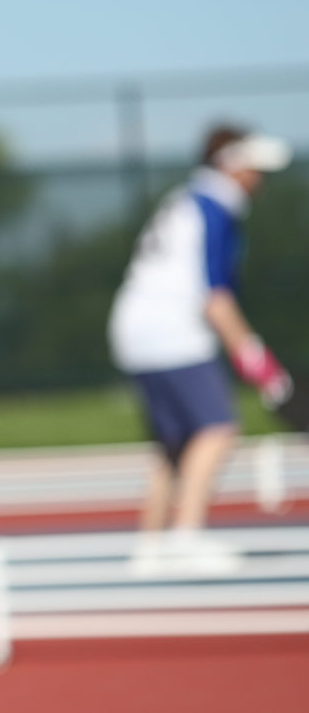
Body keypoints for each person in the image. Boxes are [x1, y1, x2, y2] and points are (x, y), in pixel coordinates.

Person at [108, 125, 292, 566]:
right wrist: (257, 361)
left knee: (174, 442)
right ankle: (186, 536)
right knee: (218, 429)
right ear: (230, 164)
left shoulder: (186, 200)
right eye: (253, 169)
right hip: (172, 329)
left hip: (134, 327)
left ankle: (149, 547)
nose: (258, 179)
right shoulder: (214, 207)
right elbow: (215, 297)